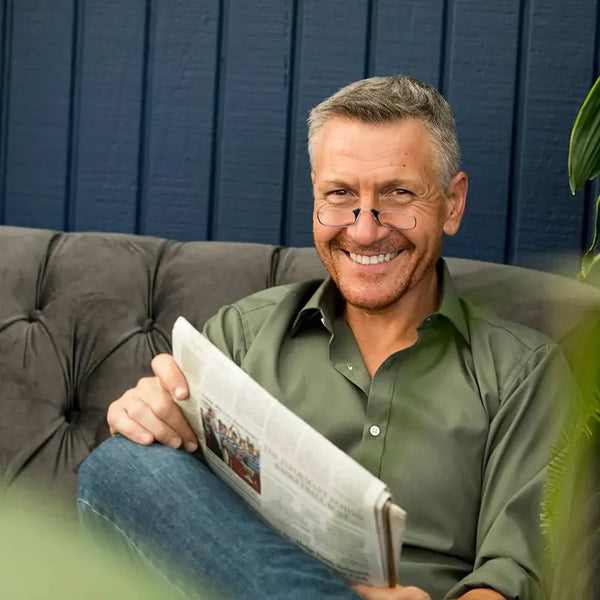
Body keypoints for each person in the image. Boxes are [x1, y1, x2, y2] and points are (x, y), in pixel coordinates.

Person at [77, 75, 575, 600]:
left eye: (398, 194)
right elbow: (177, 530)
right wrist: (150, 424)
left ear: (452, 203)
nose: (364, 230)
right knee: (121, 465)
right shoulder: (240, 336)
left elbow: (516, 577)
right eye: (340, 195)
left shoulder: (523, 373)